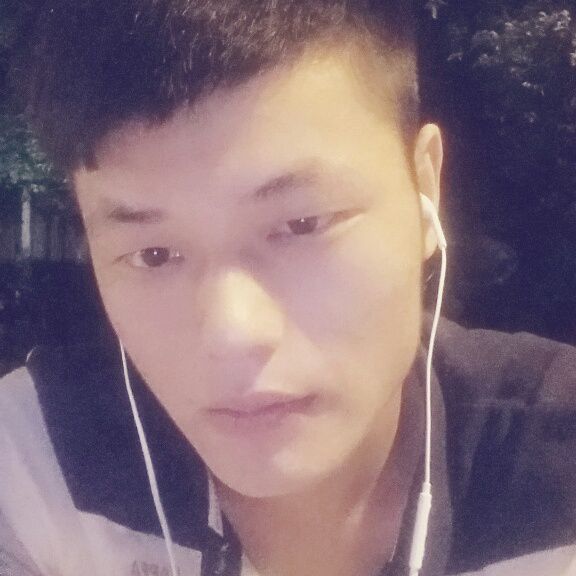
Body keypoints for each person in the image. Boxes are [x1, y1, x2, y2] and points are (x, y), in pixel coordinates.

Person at [1, 1, 575, 575]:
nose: (230, 333)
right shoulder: (29, 471)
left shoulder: (554, 470)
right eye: (154, 255)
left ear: (424, 186)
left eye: (302, 225)